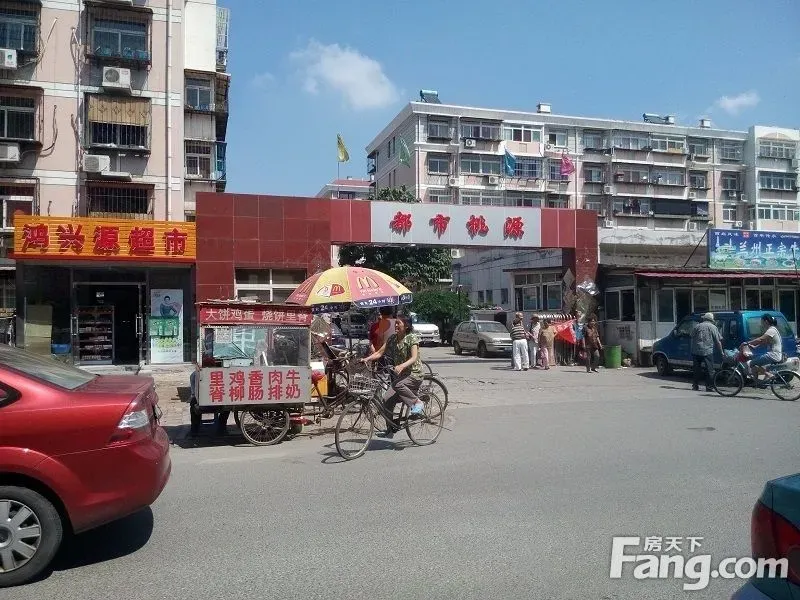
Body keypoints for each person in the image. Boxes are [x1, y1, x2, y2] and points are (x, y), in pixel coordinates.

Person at [362, 315, 425, 438]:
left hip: (414, 374)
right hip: (401, 377)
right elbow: (380, 352)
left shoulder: (412, 338)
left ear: (406, 326)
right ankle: (390, 429)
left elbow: (414, 358)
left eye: (398, 323)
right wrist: (367, 359)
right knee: (386, 400)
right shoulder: (392, 338)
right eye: (395, 323)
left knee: (397, 384)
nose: (396, 325)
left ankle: (417, 402)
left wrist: (402, 366)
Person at [690, 312, 723, 392]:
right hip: (707, 351)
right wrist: (721, 351)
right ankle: (709, 387)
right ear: (711, 320)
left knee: (696, 369)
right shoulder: (713, 327)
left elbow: (691, 336)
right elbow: (718, 341)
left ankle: (695, 385)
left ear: (704, 319)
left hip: (696, 350)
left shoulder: (697, 326)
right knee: (710, 370)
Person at [746, 314, 784, 383]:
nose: (761, 323)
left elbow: (760, 339)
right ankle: (761, 381)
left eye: (761, 321)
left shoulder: (771, 330)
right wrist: (755, 346)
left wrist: (747, 343)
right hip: (775, 354)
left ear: (766, 321)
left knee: (752, 363)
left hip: (773, 354)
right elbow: (765, 342)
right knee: (760, 366)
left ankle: (769, 375)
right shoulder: (773, 329)